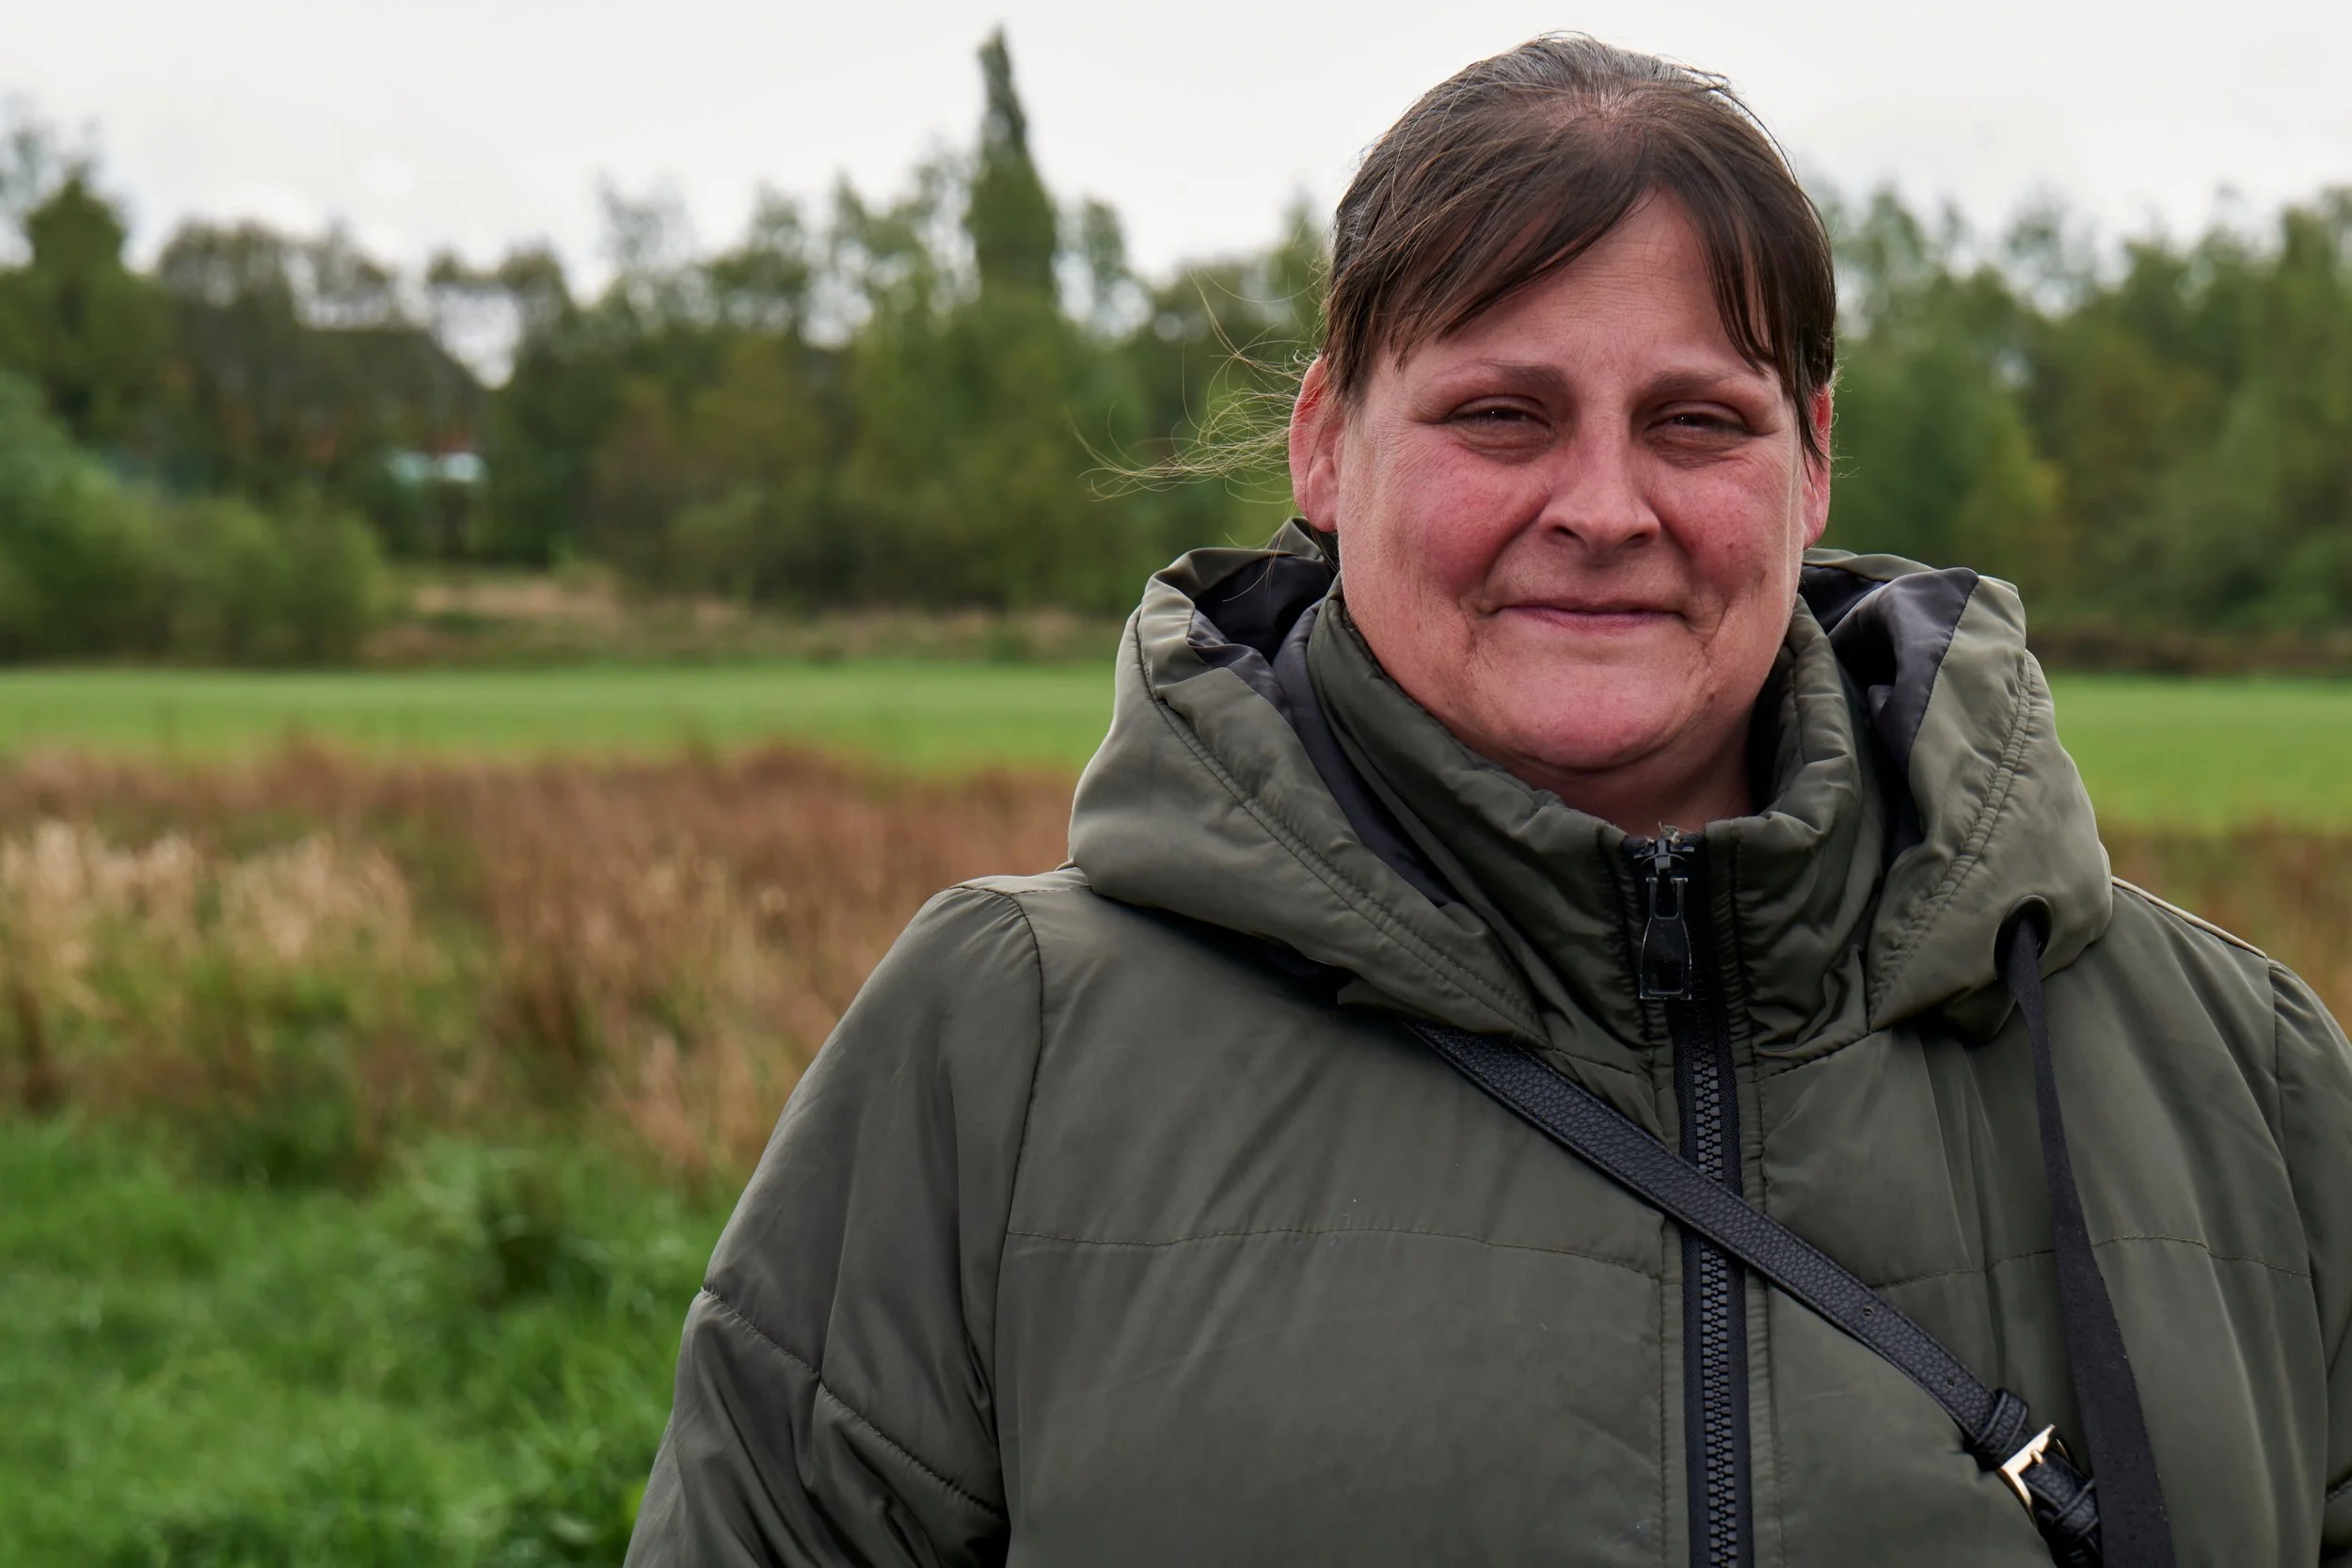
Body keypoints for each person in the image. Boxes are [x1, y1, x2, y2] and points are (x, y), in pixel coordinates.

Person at [625, 35, 2352, 1568]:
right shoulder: (1001, 1047)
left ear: (1813, 462)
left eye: (1696, 421)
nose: (1605, 505)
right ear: (1325, 441)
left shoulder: (2244, 1080)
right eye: (1501, 414)